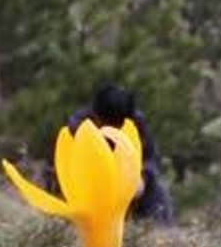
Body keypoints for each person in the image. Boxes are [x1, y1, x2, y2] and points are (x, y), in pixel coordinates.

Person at [50, 85, 175, 225]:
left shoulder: (135, 122)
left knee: (158, 195)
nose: (113, 132)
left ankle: (162, 233)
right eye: (107, 125)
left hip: (127, 186)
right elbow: (64, 167)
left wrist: (143, 178)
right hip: (88, 188)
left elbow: (150, 157)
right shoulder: (78, 126)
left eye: (117, 127)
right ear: (96, 114)